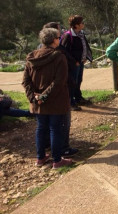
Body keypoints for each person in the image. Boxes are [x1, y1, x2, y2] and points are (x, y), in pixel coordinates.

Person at [22, 28, 73, 169]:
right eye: (59, 37)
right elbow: (59, 82)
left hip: (38, 102)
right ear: (53, 40)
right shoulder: (59, 56)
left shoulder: (32, 57)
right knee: (55, 129)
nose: (60, 39)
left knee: (41, 128)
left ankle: (40, 158)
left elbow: (26, 82)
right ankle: (57, 160)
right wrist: (43, 96)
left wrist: (34, 97)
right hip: (55, 101)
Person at [60, 15, 92, 109]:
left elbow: (84, 45)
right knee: (72, 82)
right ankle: (71, 102)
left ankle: (78, 98)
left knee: (78, 80)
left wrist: (85, 56)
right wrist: (74, 61)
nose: (83, 24)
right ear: (76, 25)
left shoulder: (81, 33)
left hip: (81, 62)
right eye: (82, 23)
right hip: (73, 64)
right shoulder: (68, 35)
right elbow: (64, 51)